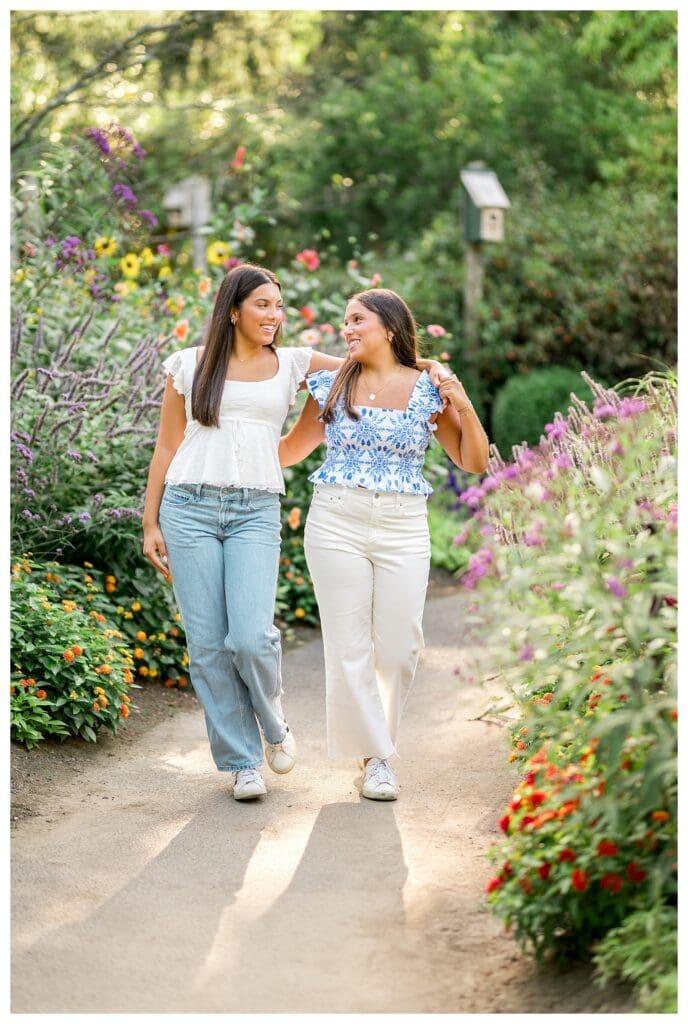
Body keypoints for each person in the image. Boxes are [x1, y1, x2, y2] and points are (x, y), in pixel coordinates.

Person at [142, 263, 446, 802]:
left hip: (254, 509)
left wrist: (427, 367)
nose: (274, 316)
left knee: (252, 638)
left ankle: (273, 719)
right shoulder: (188, 367)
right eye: (263, 305)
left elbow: (376, 361)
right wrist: (150, 521)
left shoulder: (295, 363)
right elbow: (167, 447)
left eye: (279, 307)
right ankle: (242, 763)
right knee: (208, 645)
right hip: (186, 507)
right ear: (233, 310)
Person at [279, 288, 489, 800]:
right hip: (336, 520)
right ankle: (378, 759)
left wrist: (459, 399)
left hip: (402, 524)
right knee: (349, 647)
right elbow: (288, 451)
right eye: (344, 320)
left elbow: (475, 462)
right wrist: (227, 443)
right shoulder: (328, 385)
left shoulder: (427, 389)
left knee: (399, 648)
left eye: (357, 320)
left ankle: (376, 752)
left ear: (390, 327)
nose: (346, 329)